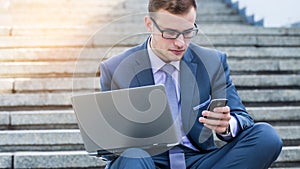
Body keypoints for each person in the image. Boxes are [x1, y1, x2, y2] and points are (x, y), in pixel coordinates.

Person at [99, 0, 283, 168]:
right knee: (133, 158)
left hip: (200, 160)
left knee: (267, 137)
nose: (180, 43)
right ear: (149, 24)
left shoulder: (212, 62)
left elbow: (243, 118)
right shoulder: (116, 69)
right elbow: (107, 149)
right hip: (148, 162)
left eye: (188, 32)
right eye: (170, 33)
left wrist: (227, 125)